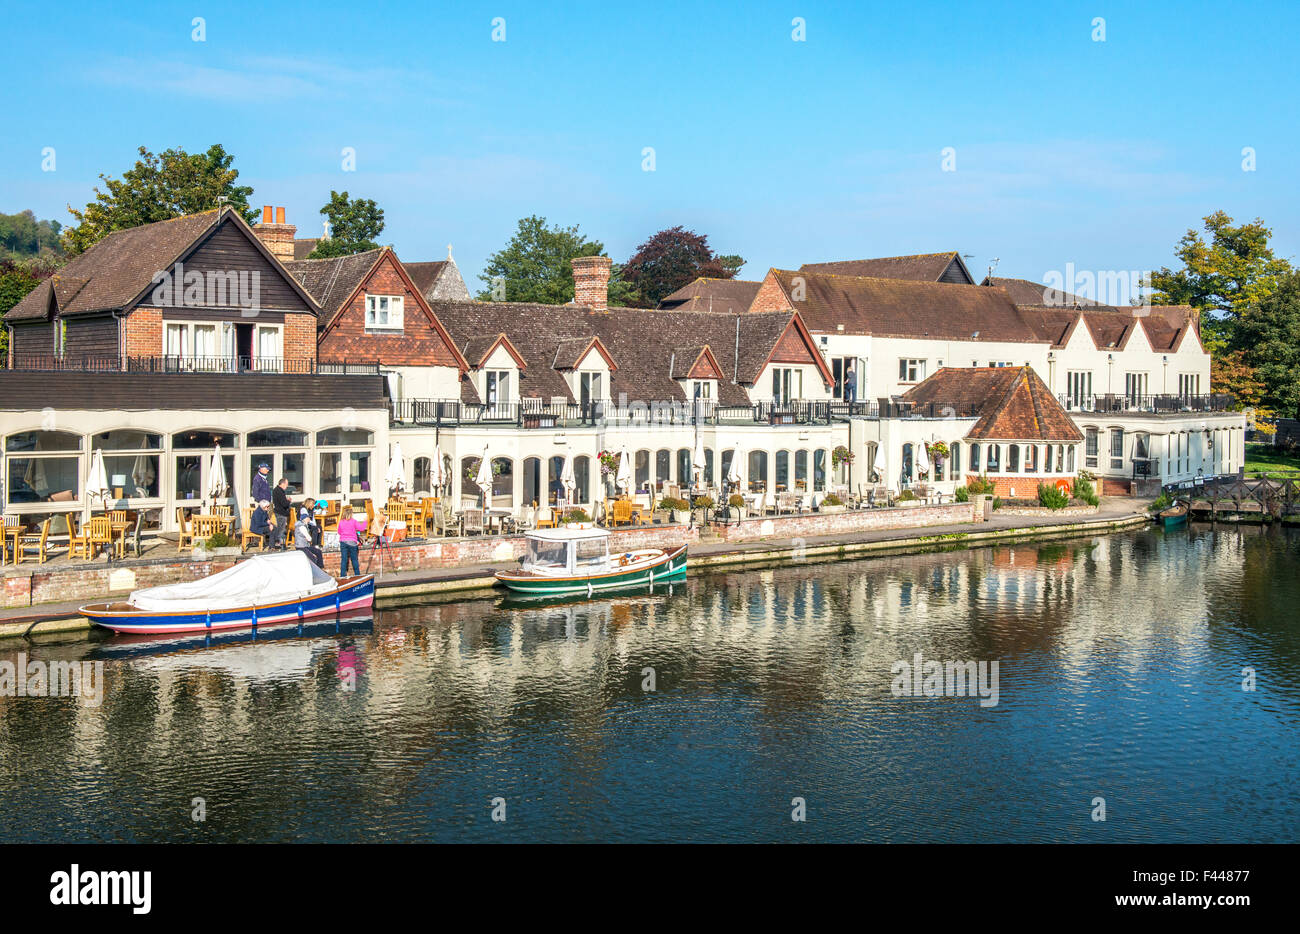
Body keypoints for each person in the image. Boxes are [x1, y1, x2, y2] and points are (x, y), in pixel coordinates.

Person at [336, 505, 366, 577]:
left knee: (344, 560)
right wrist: (365, 521)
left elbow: (339, 532)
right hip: (352, 542)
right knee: (354, 560)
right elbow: (361, 528)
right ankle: (357, 575)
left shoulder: (341, 522)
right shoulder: (354, 521)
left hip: (343, 542)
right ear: (351, 514)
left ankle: (342, 576)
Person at [295, 504, 324, 570]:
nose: (309, 519)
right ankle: (316, 570)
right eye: (308, 518)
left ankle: (320, 568)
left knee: (318, 552)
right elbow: (309, 538)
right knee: (313, 559)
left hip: (306, 545)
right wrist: (309, 539)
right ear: (305, 519)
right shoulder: (302, 526)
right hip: (301, 547)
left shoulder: (305, 525)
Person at [270, 478, 292, 549]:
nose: (287, 486)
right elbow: (284, 504)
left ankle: (278, 542)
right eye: (286, 484)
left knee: (278, 528)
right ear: (282, 484)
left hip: (277, 511)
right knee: (281, 529)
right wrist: (288, 501)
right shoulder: (280, 491)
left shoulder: (275, 490)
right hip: (281, 513)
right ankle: (279, 543)